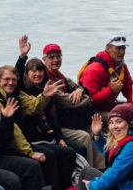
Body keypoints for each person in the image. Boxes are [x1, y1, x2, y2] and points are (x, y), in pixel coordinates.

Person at [17, 37, 104, 169]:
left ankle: (100, 169)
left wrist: (80, 90)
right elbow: (69, 102)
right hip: (52, 127)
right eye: (51, 57)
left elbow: (83, 92)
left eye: (58, 56)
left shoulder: (59, 78)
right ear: (44, 60)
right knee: (85, 136)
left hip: (64, 122)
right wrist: (22, 56)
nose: (56, 60)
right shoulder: (46, 86)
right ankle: (90, 173)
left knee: (97, 129)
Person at [19, 57, 86, 190]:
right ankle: (60, 189)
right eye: (33, 71)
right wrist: (22, 57)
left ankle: (79, 182)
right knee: (66, 153)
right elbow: (18, 74)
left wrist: (60, 137)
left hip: (49, 136)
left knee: (80, 148)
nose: (37, 74)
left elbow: (53, 116)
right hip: (35, 139)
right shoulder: (23, 91)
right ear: (27, 74)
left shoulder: (47, 88)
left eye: (40, 70)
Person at [78, 36, 133, 113]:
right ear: (108, 48)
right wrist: (110, 90)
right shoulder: (94, 69)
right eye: (118, 48)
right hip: (92, 111)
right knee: (120, 118)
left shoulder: (122, 67)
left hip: (109, 106)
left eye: (123, 48)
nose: (122, 52)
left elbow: (130, 91)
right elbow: (90, 99)